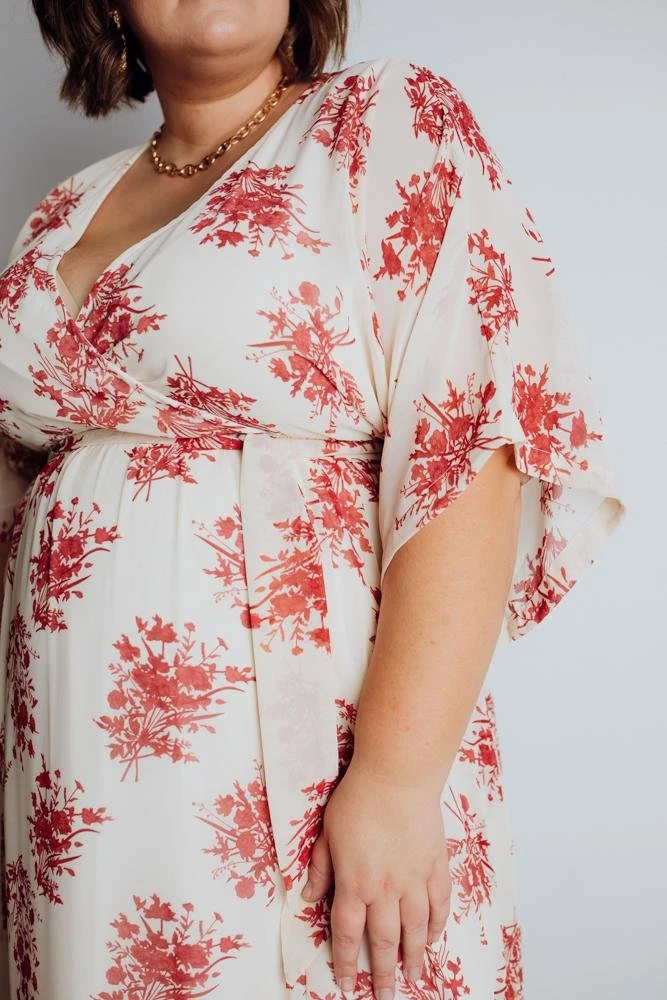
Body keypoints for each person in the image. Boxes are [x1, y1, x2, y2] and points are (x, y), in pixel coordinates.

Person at [0, 1, 627, 998]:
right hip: (76, 776)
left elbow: (470, 441)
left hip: (308, 748)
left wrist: (396, 779)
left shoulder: (384, 121)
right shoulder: (58, 214)